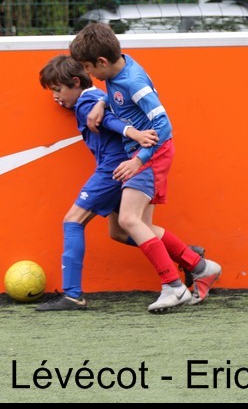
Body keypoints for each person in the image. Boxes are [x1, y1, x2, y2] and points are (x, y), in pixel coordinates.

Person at [69, 23, 222, 313]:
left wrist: (139, 159)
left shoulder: (133, 82)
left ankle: (173, 286)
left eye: (88, 68)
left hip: (151, 154)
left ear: (102, 62)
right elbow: (119, 97)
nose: (88, 74)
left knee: (129, 219)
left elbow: (164, 125)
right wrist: (103, 103)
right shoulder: (119, 69)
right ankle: (201, 267)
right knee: (131, 228)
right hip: (143, 153)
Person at [37, 54, 166, 310]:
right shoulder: (95, 98)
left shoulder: (87, 102)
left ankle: (73, 295)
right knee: (120, 231)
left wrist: (133, 133)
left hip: (112, 169)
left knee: (73, 220)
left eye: (58, 89)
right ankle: (191, 258)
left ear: (76, 82)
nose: (55, 96)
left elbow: (107, 120)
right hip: (122, 167)